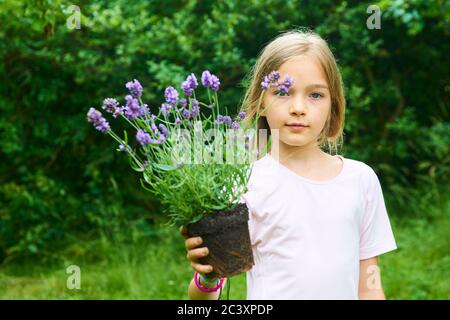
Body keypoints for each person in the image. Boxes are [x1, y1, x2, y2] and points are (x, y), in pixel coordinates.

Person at [181, 29, 397, 300]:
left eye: (315, 95)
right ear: (260, 103)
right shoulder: (242, 184)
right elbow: (204, 301)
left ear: (333, 104)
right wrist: (207, 276)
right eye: (283, 93)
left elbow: (370, 285)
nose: (298, 107)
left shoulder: (360, 180)